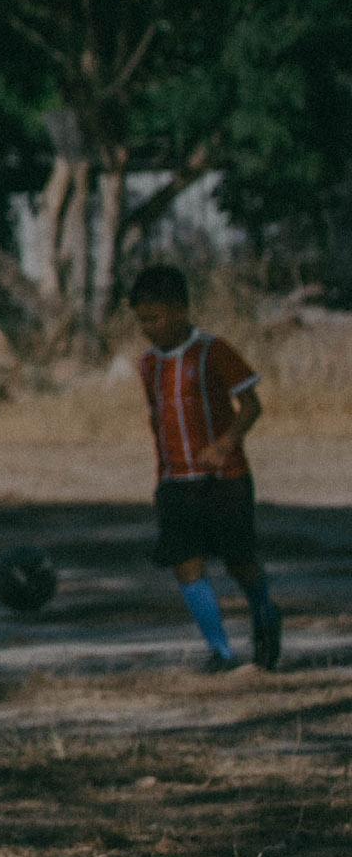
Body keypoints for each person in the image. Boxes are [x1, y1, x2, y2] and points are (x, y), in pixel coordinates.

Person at [128, 265, 282, 673]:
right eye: (140, 320)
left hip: (224, 480)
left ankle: (266, 617)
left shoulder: (214, 351)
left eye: (153, 318)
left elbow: (252, 405)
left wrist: (226, 444)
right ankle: (222, 652)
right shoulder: (148, 364)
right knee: (186, 562)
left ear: (180, 310)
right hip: (176, 482)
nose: (147, 328)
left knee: (240, 561)